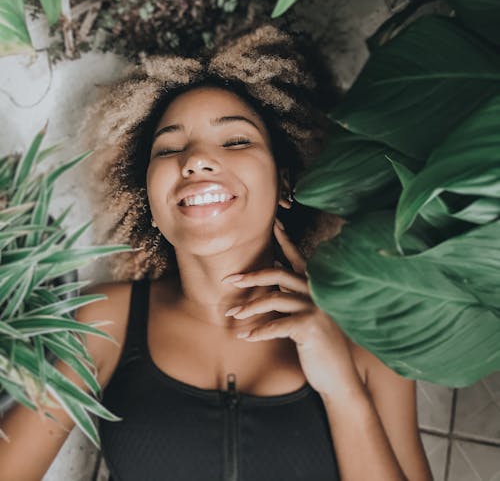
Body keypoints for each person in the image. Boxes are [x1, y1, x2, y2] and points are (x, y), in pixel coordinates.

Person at [0, 26, 433, 481]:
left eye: (236, 141)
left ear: (285, 183)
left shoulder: (368, 335)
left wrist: (343, 389)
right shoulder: (106, 320)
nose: (195, 161)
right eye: (169, 148)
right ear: (147, 196)